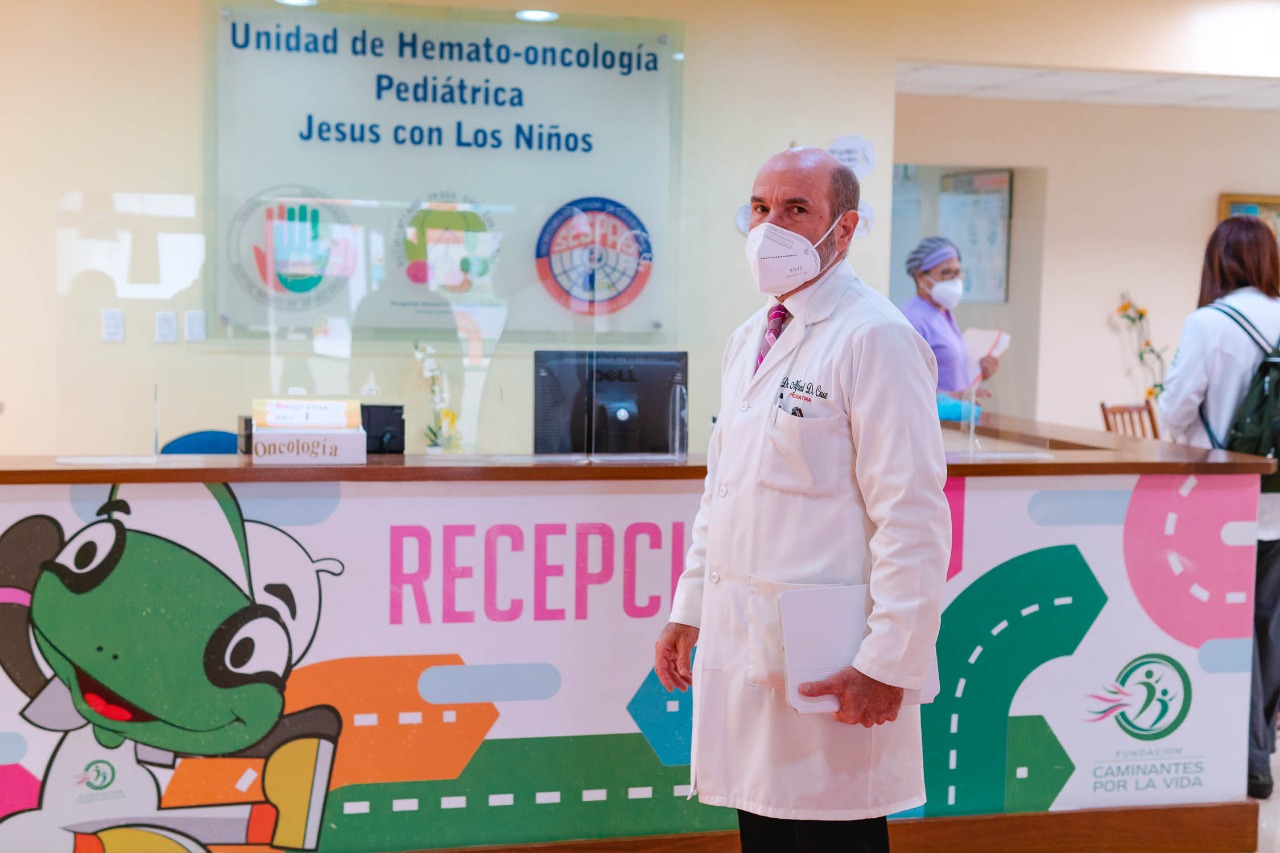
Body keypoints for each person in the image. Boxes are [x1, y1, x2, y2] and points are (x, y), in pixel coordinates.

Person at [653, 147, 950, 852]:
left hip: (833, 657)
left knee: (830, 835)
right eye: (761, 208)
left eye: (795, 209)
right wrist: (690, 608)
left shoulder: (876, 336)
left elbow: (912, 516)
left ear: (844, 228)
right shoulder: (749, 338)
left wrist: (888, 663)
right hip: (753, 648)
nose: (770, 228)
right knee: (765, 828)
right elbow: (724, 493)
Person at [1158, 215, 1280, 801]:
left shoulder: (1209, 323)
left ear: (1217, 262)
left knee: (1234, 625)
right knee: (1271, 626)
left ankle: (1250, 758)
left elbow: (1174, 413)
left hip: (1226, 502)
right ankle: (1261, 745)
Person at [899, 236, 998, 397]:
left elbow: (949, 373)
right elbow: (907, 387)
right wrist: (959, 397)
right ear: (920, 276)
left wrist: (979, 372)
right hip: (932, 413)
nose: (954, 280)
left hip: (955, 413)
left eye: (957, 273)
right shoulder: (912, 319)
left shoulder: (943, 313)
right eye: (945, 273)